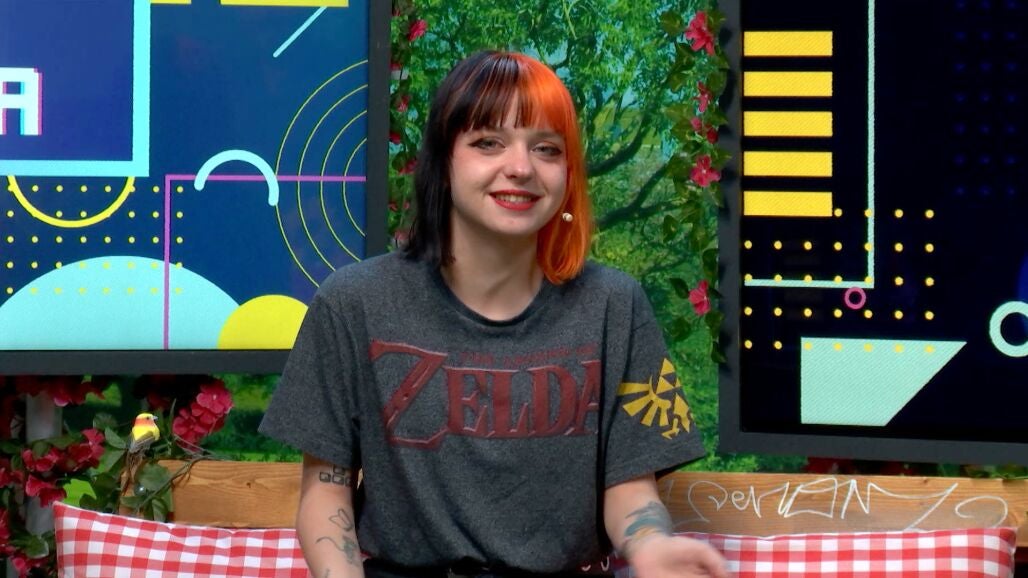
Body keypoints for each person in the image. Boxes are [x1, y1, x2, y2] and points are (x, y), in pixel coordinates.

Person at [259, 51, 728, 578]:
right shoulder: (352, 303)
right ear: (442, 162)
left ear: (567, 173)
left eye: (547, 149)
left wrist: (651, 547)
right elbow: (326, 493)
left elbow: (630, 489)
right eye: (488, 143)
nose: (521, 168)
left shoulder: (613, 306)